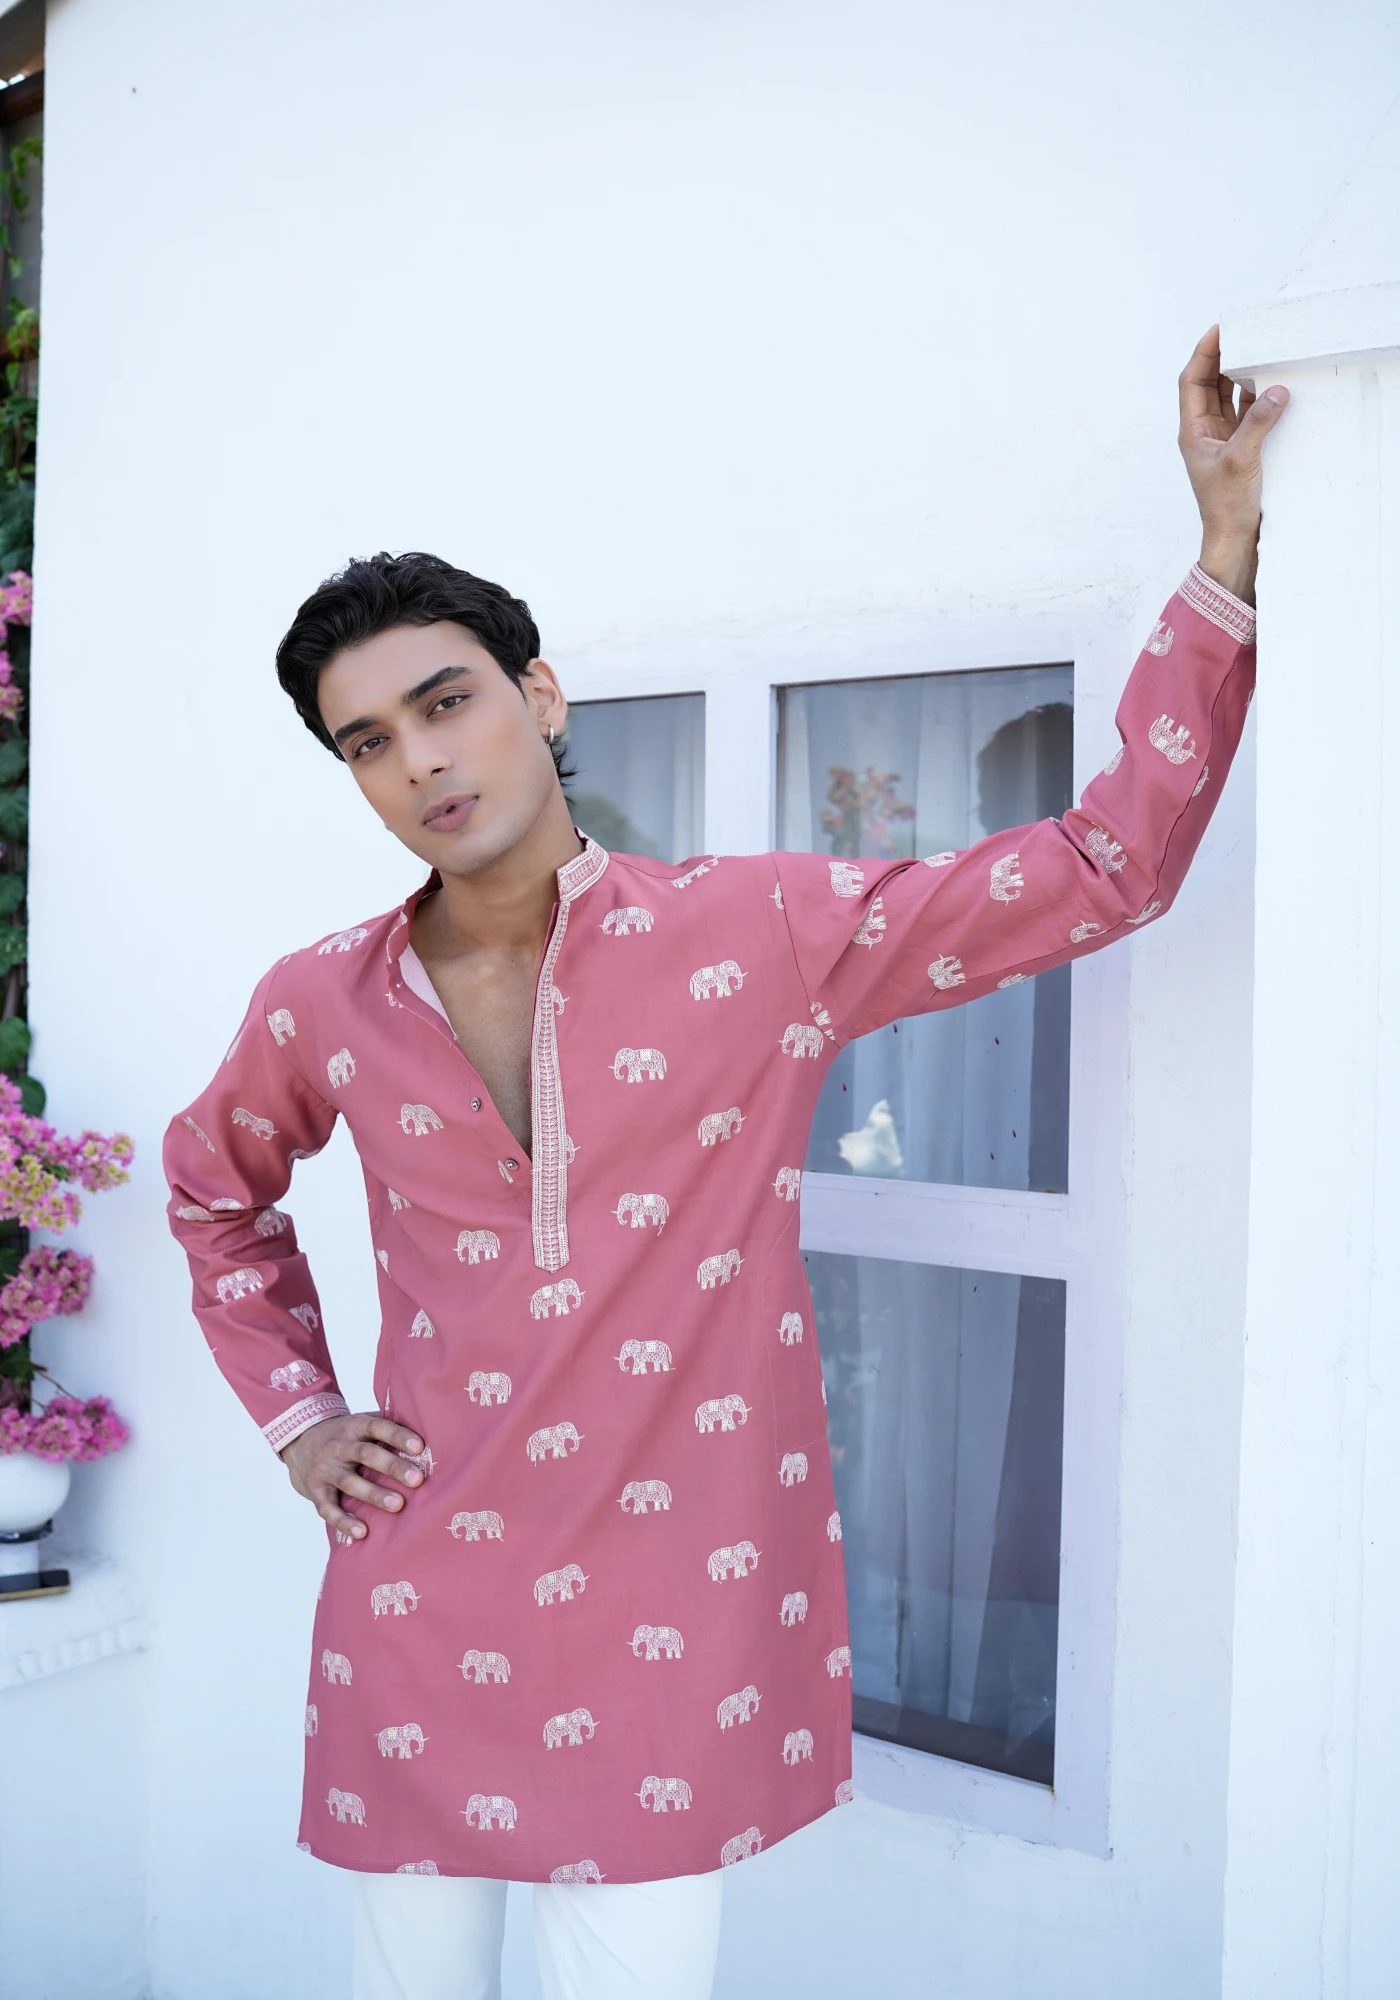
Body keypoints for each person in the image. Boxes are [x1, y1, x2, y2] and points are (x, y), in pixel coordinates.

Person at [164, 328, 1286, 2000]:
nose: (422, 762)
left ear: (540, 698)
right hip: (418, 1598)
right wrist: (301, 1419)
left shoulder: (758, 935)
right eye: (369, 740)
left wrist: (1222, 556)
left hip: (664, 1613)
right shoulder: (321, 999)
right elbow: (215, 1190)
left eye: (447, 702)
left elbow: (1102, 867)